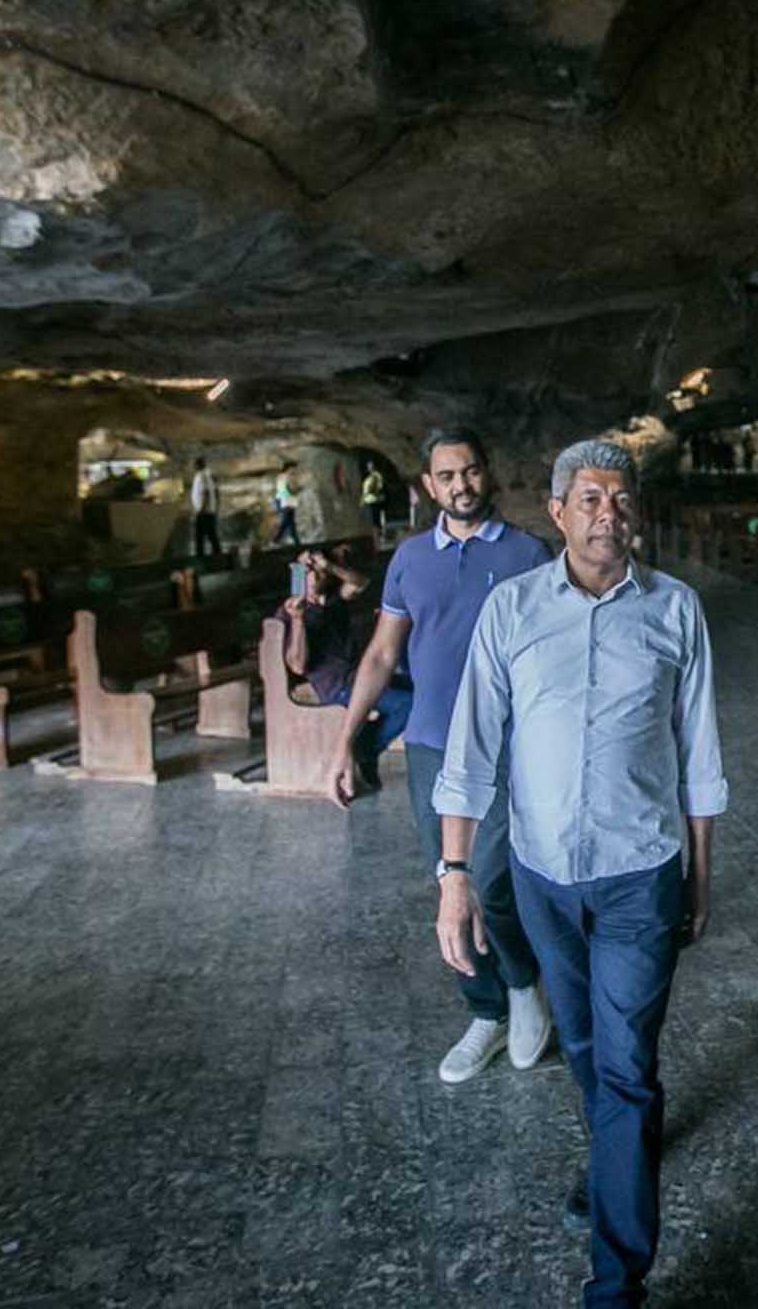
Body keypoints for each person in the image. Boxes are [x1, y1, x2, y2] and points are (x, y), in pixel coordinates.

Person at [436, 439, 725, 1309]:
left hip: (642, 870)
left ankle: (617, 1280)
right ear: (558, 512)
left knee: (628, 1064)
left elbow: (699, 752)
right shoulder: (514, 608)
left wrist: (701, 875)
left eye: (622, 498)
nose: (609, 513)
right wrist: (455, 874)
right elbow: (470, 748)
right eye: (590, 499)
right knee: (589, 1047)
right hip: (543, 874)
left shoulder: (675, 608)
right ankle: (613, 1158)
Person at [326, 429, 554, 1083]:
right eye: (447, 476)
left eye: (471, 471)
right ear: (428, 486)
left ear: (488, 474)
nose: (461, 485)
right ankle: (487, 1010)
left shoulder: (528, 553)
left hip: (508, 742)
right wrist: (344, 742)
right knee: (450, 881)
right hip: (431, 742)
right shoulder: (410, 558)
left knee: (490, 877)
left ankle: (524, 984)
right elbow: (381, 653)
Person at [280, 549, 412, 765]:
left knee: (421, 691)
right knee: (407, 704)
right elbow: (298, 666)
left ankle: (362, 743)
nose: (313, 576)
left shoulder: (333, 600)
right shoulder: (289, 612)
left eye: (317, 571)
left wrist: (328, 565)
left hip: (361, 678)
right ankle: (365, 749)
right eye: (306, 571)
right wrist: (298, 620)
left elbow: (360, 583)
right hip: (337, 687)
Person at [189, 457, 222, 558]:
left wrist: (201, 509)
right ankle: (217, 554)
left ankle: (201, 557)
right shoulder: (208, 475)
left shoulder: (201, 476)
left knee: (200, 535)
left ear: (197, 465)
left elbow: (205, 493)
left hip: (204, 511)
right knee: (211, 533)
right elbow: (216, 492)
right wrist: (216, 507)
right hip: (209, 510)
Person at [271, 466, 301, 545]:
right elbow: (282, 491)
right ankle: (278, 538)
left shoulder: (291, 477)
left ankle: (295, 540)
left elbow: (294, 489)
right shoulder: (282, 477)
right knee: (287, 520)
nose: (293, 471)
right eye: (291, 470)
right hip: (284, 500)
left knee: (290, 521)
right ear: (286, 469)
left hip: (290, 500)